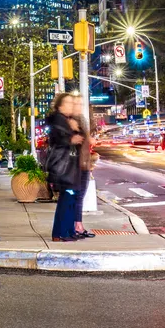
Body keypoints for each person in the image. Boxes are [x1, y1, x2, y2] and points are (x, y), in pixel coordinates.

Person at [44, 93, 83, 243]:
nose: (71, 105)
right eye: (67, 103)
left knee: (70, 199)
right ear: (60, 106)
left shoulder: (67, 120)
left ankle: (67, 230)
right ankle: (60, 233)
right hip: (63, 167)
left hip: (69, 167)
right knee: (66, 200)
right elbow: (58, 139)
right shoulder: (58, 119)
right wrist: (72, 137)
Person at [72, 99, 96, 239]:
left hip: (83, 163)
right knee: (79, 196)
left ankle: (77, 225)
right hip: (78, 164)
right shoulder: (74, 123)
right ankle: (77, 226)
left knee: (79, 196)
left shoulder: (81, 122)